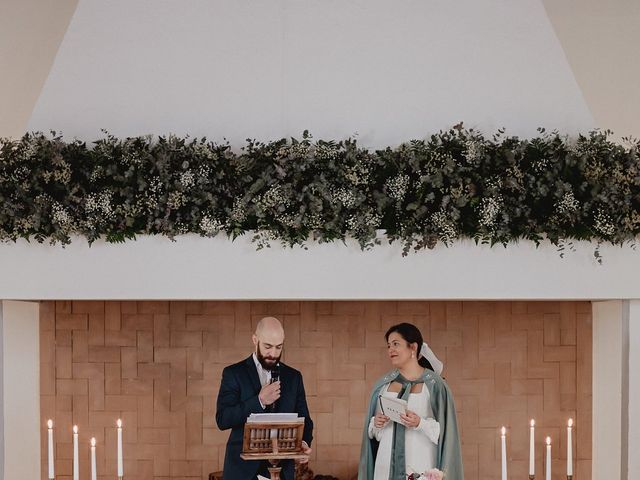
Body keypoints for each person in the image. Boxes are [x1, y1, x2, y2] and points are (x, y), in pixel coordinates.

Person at [358, 323, 463, 480]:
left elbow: (446, 432)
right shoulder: (383, 385)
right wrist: (376, 424)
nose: (390, 350)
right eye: (388, 346)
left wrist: (419, 422)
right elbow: (374, 435)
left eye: (396, 344)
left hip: (421, 461)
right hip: (385, 464)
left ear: (413, 347)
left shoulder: (435, 386)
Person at [216, 316, 314, 480]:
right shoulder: (233, 373)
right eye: (268, 346)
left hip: (282, 472)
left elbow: (305, 420)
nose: (273, 354)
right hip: (242, 472)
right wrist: (259, 401)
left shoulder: (294, 377)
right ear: (255, 340)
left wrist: (303, 445)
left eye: (278, 347)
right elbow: (223, 419)